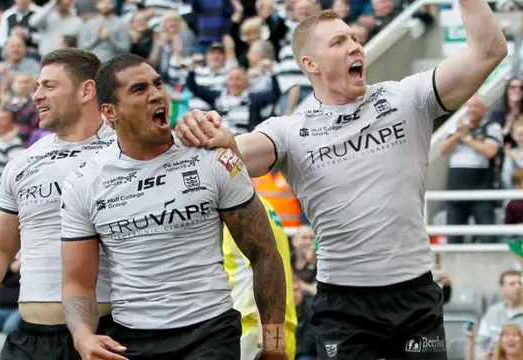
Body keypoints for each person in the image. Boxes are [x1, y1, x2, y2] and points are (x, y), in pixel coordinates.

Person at [175, 5, 508, 359]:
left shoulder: (407, 98)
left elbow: (489, 51)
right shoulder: (290, 131)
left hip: (415, 296)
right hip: (343, 305)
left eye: (354, 38)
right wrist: (205, 133)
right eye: (338, 41)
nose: (355, 46)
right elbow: (232, 153)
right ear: (310, 64)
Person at [59, 53, 288, 360]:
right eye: (139, 89)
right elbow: (78, 282)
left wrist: (274, 344)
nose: (155, 95)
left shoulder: (212, 157)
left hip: (211, 332)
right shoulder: (84, 182)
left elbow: (264, 252)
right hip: (132, 339)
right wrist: (83, 335)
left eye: (157, 84)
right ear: (110, 111)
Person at [0, 48, 117, 360]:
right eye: (37, 86)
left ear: (86, 90)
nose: (36, 96)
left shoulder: (126, 152)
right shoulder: (24, 161)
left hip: (105, 333)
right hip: (29, 339)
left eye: (49, 86)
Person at [222, 196, 298, 360]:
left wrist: (268, 344)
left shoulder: (239, 212)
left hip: (254, 333)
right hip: (282, 329)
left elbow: (264, 276)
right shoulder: (266, 207)